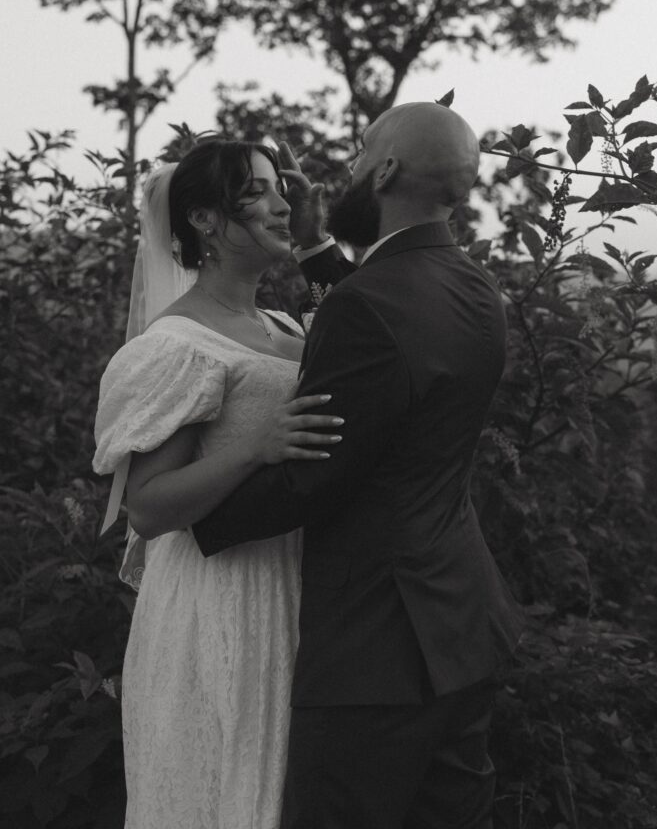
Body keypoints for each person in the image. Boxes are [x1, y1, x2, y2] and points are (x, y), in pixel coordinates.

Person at [193, 102, 526, 829]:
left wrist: (186, 517)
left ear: (384, 171)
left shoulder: (371, 305)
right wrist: (315, 248)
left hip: (374, 652)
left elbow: (315, 474)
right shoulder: (474, 288)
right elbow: (380, 332)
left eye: (360, 151)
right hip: (463, 624)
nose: (346, 167)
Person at [93, 136, 345, 829]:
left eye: (280, 188)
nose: (280, 201)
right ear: (204, 220)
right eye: (257, 190)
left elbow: (357, 328)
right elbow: (146, 508)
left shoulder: (283, 325)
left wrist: (316, 239)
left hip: (293, 586)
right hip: (217, 598)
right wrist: (255, 450)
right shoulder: (175, 345)